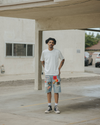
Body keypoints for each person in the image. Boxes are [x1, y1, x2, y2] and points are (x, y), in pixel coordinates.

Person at [40, 37, 65, 114]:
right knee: (48, 90)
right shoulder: (44, 52)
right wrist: (45, 68)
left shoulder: (57, 52)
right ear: (47, 43)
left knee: (56, 91)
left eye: (52, 42)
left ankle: (56, 106)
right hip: (48, 75)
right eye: (49, 42)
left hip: (55, 75)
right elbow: (42, 60)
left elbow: (63, 59)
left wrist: (59, 69)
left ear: (54, 44)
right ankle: (49, 106)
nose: (51, 43)